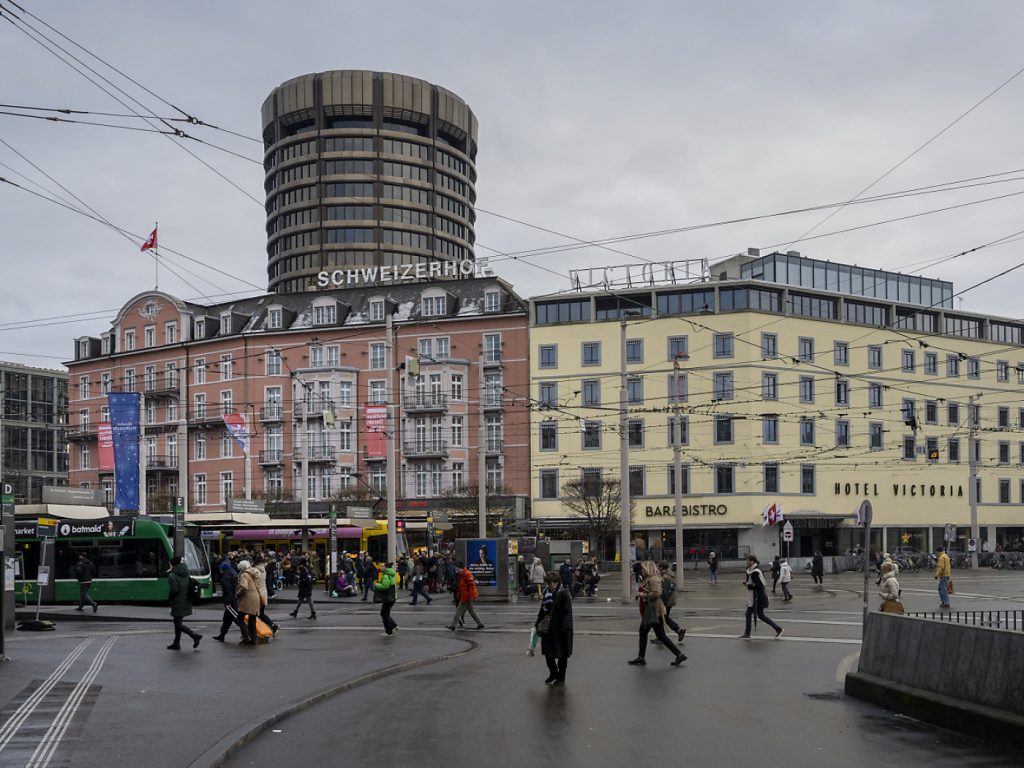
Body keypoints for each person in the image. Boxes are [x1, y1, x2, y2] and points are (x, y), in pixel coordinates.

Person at [628, 561, 686, 666]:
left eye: (643, 568)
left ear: (648, 568)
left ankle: (642, 657)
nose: (642, 570)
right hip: (653, 610)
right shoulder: (651, 578)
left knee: (649, 633)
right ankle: (678, 654)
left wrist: (644, 595)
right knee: (656, 634)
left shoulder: (654, 579)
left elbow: (656, 593)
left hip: (654, 610)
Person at [536, 570, 573, 685]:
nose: (551, 585)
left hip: (561, 629)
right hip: (548, 628)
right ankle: (553, 673)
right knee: (548, 653)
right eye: (549, 583)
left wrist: (566, 628)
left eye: (553, 582)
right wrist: (537, 623)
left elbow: (568, 613)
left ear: (558, 582)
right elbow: (542, 610)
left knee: (562, 655)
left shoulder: (563, 594)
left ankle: (561, 677)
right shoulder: (546, 591)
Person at [740, 555, 783, 640]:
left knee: (749, 614)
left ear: (752, 561)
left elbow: (759, 585)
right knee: (760, 615)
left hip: (757, 597)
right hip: (755, 596)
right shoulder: (750, 570)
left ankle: (747, 634)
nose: (746, 562)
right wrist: (748, 583)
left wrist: (748, 585)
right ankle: (778, 629)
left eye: (748, 561)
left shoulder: (756, 571)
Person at [167, 556, 202, 650]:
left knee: (177, 623)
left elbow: (174, 590)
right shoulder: (186, 573)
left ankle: (194, 635)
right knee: (178, 622)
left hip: (178, 601)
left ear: (173, 564)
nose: (169, 565)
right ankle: (176, 643)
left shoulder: (172, 575)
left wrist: (170, 599)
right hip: (186, 600)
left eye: (170, 564)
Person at [213, 559, 250, 643]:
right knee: (227, 619)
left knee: (238, 619)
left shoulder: (226, 577)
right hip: (232, 600)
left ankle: (247, 635)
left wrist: (228, 602)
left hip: (230, 601)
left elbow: (229, 590)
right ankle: (222, 635)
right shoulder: (232, 574)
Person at [446, 561, 484, 631]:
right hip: (467, 596)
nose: (456, 570)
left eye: (457, 569)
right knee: (471, 611)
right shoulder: (462, 574)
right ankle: (480, 624)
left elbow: (471, 587)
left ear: (461, 568)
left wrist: (467, 597)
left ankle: (453, 625)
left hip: (467, 597)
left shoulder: (467, 574)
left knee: (458, 611)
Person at [658, 560, 686, 642]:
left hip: (667, 600)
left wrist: (663, 601)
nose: (658, 568)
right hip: (671, 599)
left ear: (662, 568)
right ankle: (662, 635)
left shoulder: (665, 576)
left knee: (663, 618)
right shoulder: (670, 573)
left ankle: (677, 630)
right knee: (663, 618)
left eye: (659, 567)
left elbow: (665, 591)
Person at [235, 559, 261, 645]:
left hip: (248, 599)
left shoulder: (244, 575)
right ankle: (253, 639)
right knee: (252, 619)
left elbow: (244, 587)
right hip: (256, 597)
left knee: (239, 618)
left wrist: (238, 594)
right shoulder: (254, 573)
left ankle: (246, 637)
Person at [374, 561, 399, 636]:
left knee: (384, 614)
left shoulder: (385, 575)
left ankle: (390, 630)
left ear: (386, 568)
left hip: (388, 598)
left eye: (382, 566)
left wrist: (377, 584)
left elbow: (385, 586)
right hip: (392, 597)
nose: (381, 567)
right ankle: (392, 627)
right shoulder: (390, 574)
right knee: (385, 613)